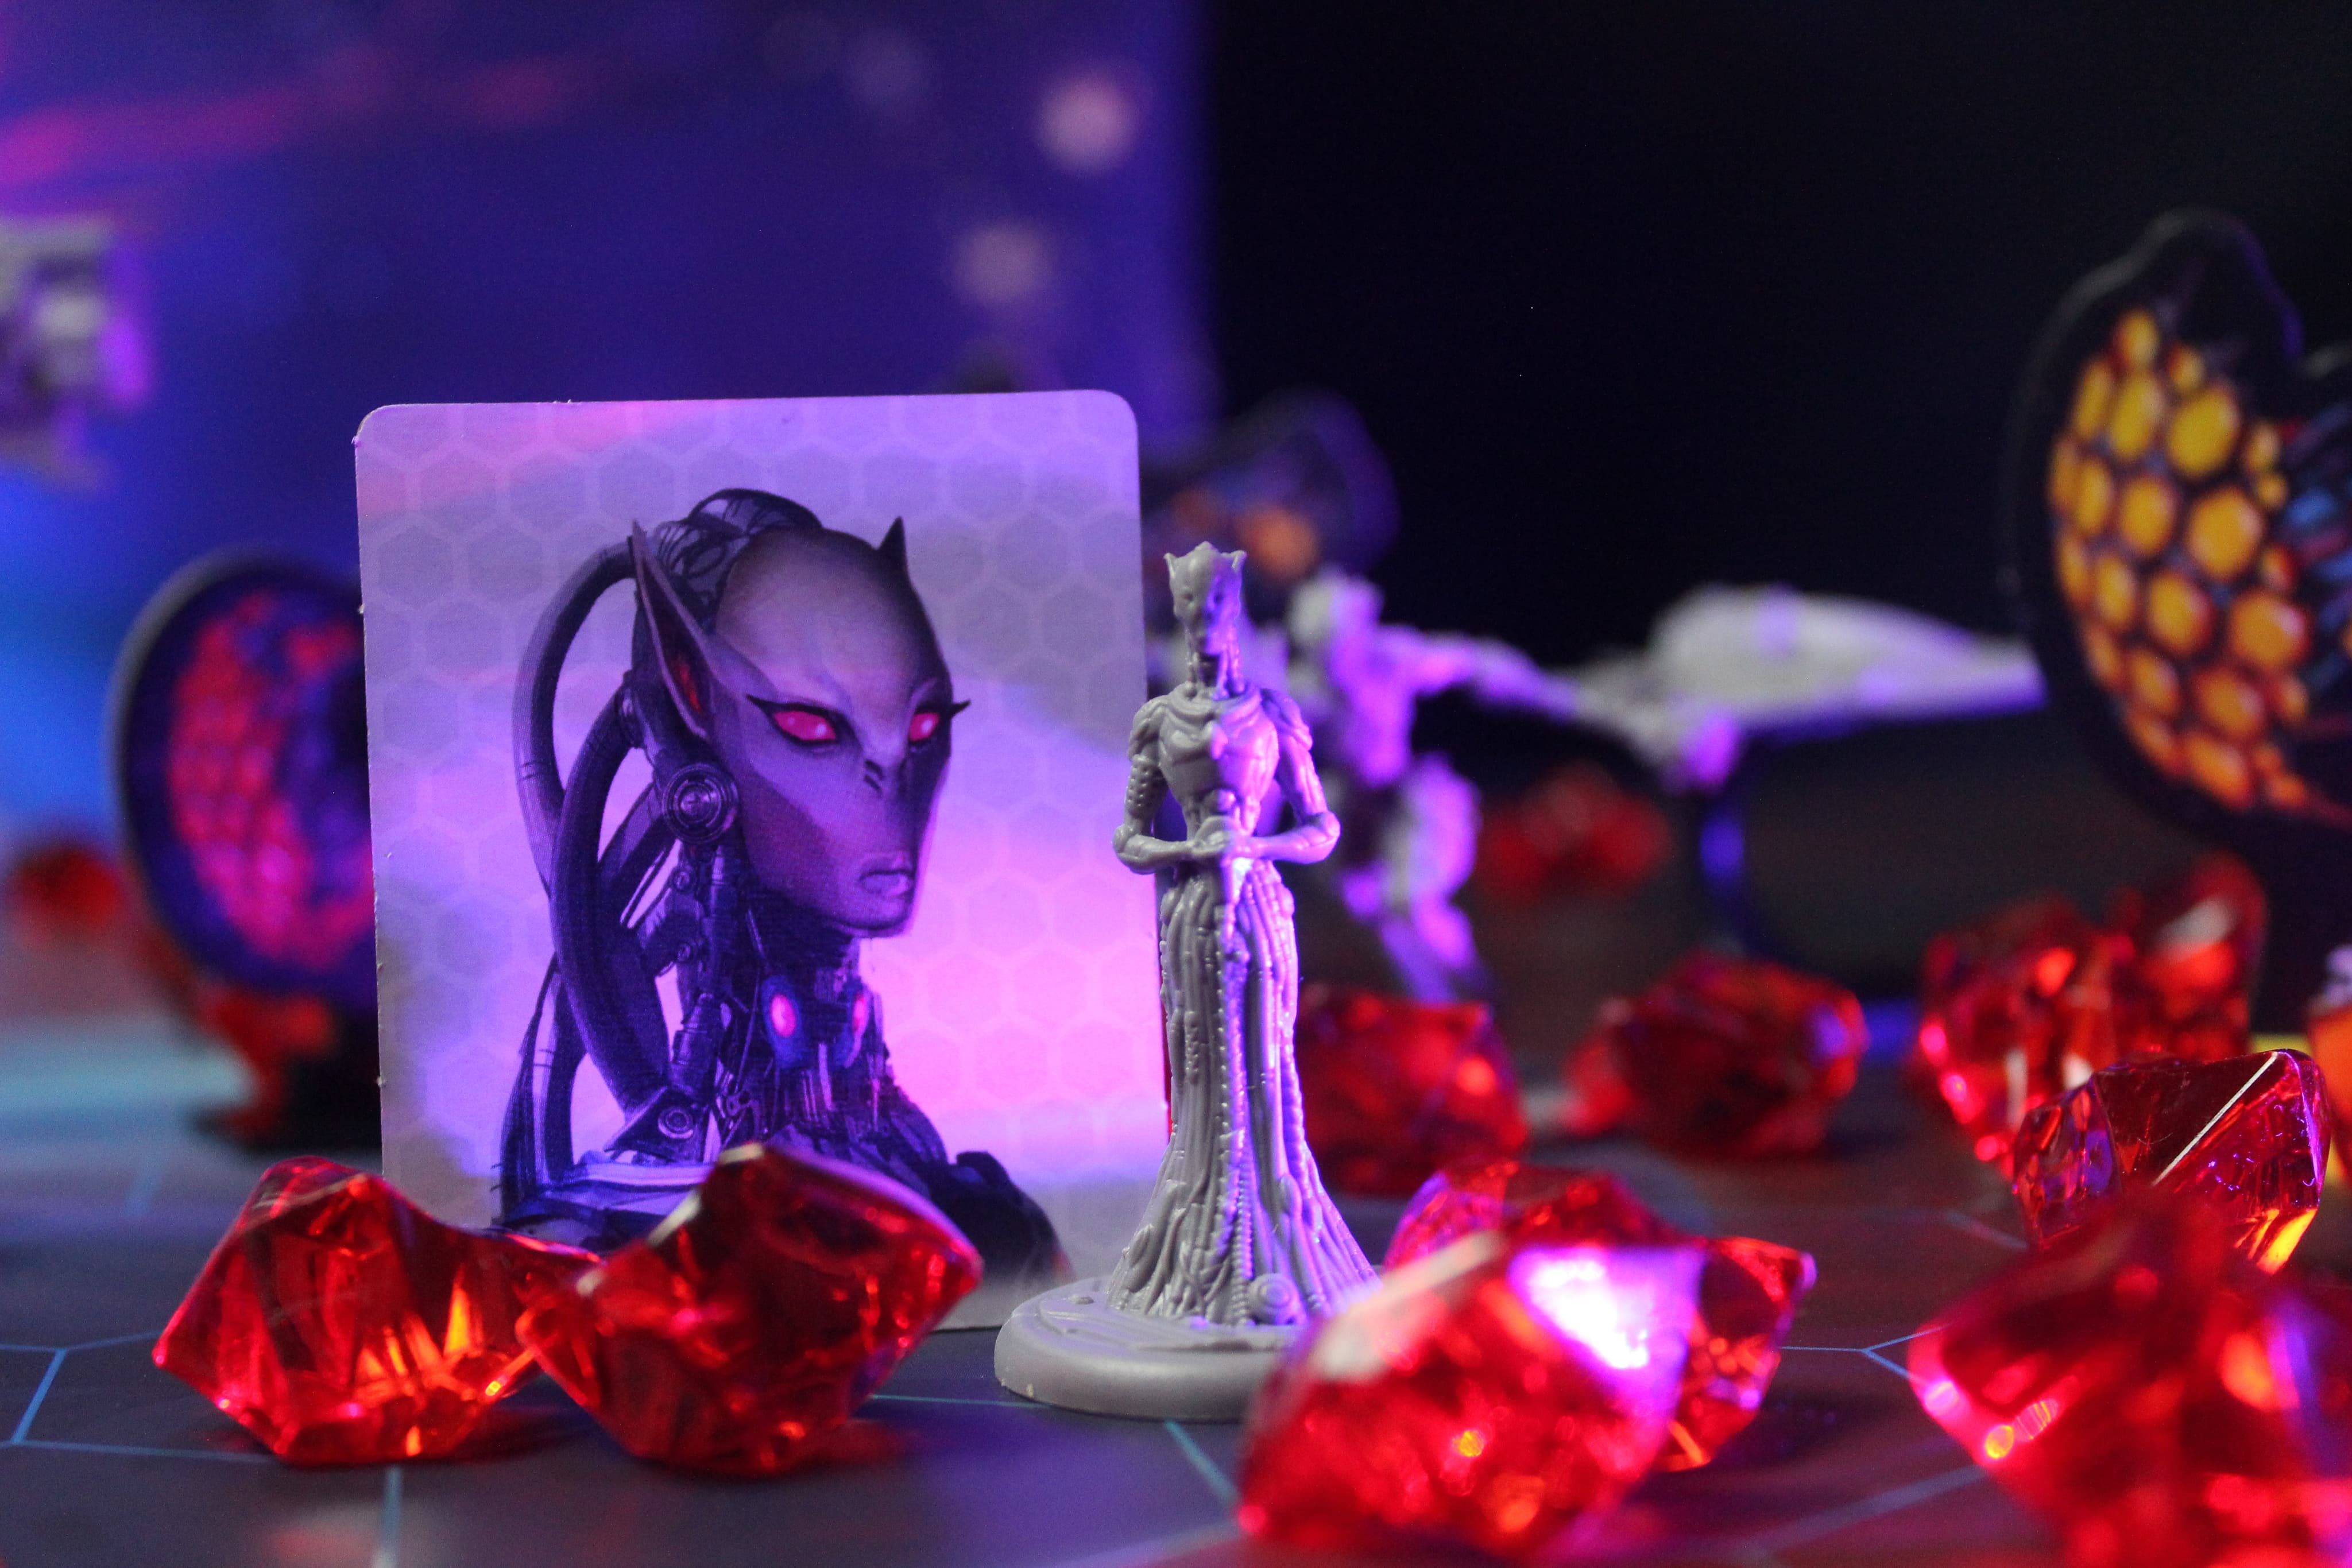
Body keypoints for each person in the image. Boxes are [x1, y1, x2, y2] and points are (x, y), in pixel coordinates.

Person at [500, 489, 1063, 1280]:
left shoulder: (977, 1211)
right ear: (691, 691)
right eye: (812, 726)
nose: (890, 784)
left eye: (922, 727)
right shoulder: (616, 1217)